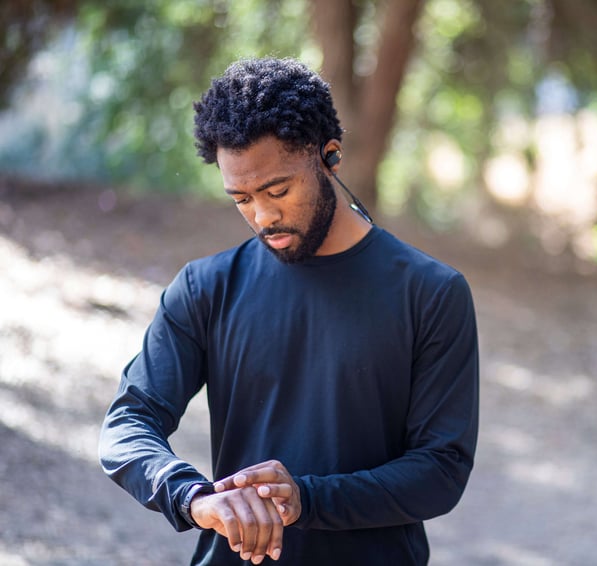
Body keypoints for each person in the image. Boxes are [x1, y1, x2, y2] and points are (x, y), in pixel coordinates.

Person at [98, 57, 479, 565]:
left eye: (278, 190)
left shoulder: (431, 293)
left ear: (330, 157)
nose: (263, 215)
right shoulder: (205, 287)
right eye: (241, 198)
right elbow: (128, 422)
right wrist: (193, 496)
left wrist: (307, 499)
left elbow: (441, 471)